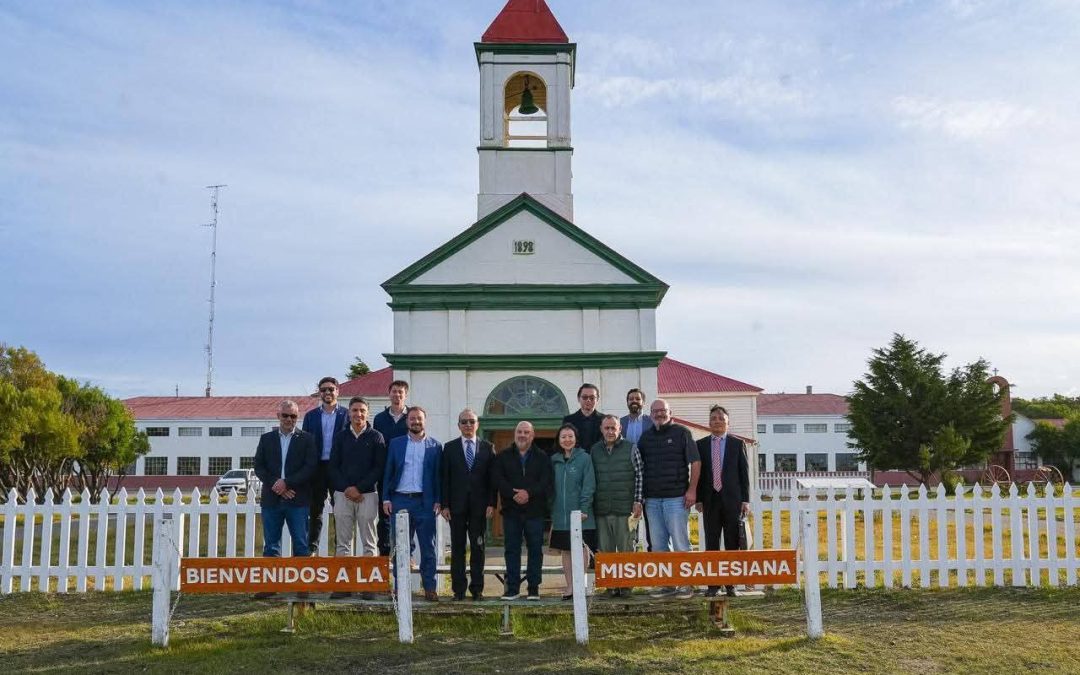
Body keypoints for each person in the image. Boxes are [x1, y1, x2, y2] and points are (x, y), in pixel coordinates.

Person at [637, 398, 700, 599]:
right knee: (658, 545)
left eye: (662, 410)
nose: (659, 414)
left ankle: (686, 584)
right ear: (650, 414)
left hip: (676, 498)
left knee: (681, 543)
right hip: (652, 500)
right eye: (655, 411)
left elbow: (696, 462)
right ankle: (667, 585)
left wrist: (692, 490)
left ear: (670, 412)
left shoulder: (682, 433)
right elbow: (639, 468)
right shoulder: (645, 438)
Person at [327, 396, 386, 598]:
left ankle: (369, 586)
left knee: (369, 542)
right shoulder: (340, 437)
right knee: (343, 542)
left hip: (367, 495)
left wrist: (359, 488)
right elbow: (333, 466)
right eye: (354, 410)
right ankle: (343, 585)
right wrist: (347, 488)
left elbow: (378, 468)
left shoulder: (376, 436)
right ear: (349, 413)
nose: (358, 414)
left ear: (367, 413)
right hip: (343, 495)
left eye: (362, 410)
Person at [382, 406, 442, 601]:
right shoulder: (396, 444)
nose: (416, 422)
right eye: (412, 419)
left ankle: (430, 588)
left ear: (425, 421)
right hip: (399, 500)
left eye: (419, 419)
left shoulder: (435, 446)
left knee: (428, 547)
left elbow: (438, 476)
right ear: (407, 421)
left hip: (425, 502)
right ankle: (400, 588)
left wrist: (439, 500)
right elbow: (388, 472)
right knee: (400, 547)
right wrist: (386, 498)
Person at [492, 421, 553, 601]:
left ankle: (533, 588)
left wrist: (529, 493)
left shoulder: (543, 457)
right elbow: (498, 479)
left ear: (532, 435)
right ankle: (512, 588)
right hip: (511, 511)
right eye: (519, 431)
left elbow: (546, 481)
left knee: (535, 550)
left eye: (527, 432)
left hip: (535, 512)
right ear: (514, 434)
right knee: (511, 550)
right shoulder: (503, 456)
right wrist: (513, 494)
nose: (522, 435)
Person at [440, 409, 497, 601]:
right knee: (457, 549)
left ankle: (477, 589)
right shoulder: (449, 448)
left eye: (471, 421)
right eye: (464, 422)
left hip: (479, 508)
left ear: (477, 424)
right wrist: (445, 505)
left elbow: (492, 480)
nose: (468, 425)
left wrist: (491, 503)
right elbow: (444, 478)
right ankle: (459, 590)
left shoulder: (488, 447)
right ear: (458, 425)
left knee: (478, 548)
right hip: (455, 508)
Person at [253, 400, 318, 564]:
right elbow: (259, 467)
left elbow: (310, 467)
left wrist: (287, 483)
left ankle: (301, 588)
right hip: (271, 499)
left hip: (298, 499)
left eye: (293, 416)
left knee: (301, 547)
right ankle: (271, 587)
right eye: (285, 415)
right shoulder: (266, 439)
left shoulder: (307, 439)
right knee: (271, 547)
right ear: (278, 416)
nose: (289, 419)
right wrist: (278, 485)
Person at [695, 405, 751, 598]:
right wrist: (699, 498)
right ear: (709, 423)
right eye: (714, 418)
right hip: (710, 501)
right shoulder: (700, 444)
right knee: (711, 542)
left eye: (721, 418)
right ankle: (713, 584)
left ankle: (730, 584)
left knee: (732, 542)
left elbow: (744, 474)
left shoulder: (737, 444)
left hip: (732, 500)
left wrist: (745, 499)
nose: (717, 421)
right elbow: (699, 475)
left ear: (728, 422)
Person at [589, 415, 643, 597]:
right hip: (602, 508)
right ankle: (610, 586)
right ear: (601, 430)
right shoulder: (595, 450)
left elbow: (640, 476)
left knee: (626, 548)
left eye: (614, 428)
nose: (610, 431)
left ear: (620, 429)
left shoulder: (631, 448)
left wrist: (638, 501)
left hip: (625, 509)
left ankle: (626, 586)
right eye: (607, 428)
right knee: (605, 550)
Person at [301, 376, 349, 555]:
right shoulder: (310, 416)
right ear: (319, 393)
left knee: (341, 511)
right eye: (324, 390)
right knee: (315, 510)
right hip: (317, 468)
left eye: (331, 389)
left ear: (337, 391)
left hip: (339, 468)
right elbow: (305, 444)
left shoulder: (346, 414)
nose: (327, 392)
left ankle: (340, 548)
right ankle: (312, 548)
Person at [550, 423, 597, 600]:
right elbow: (550, 488)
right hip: (561, 516)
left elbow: (589, 485)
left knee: (582, 550)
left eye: (570, 436)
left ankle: (581, 585)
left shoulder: (585, 458)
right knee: (566, 552)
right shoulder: (554, 460)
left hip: (582, 515)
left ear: (576, 438)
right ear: (559, 440)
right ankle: (570, 587)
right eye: (563, 437)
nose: (567, 440)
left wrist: (584, 508)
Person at [373, 379, 410, 556]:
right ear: (389, 394)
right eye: (394, 391)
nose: (397, 395)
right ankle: (385, 552)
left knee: (404, 513)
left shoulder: (412, 417)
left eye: (400, 392)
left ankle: (404, 552)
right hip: (384, 472)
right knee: (384, 514)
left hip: (406, 472)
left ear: (405, 395)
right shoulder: (380, 419)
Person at [562, 383, 604, 453]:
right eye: (585, 397)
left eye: (592, 398)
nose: (588, 400)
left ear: (597, 399)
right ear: (578, 399)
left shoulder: (604, 420)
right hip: (576, 459)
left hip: (598, 460)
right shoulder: (568, 420)